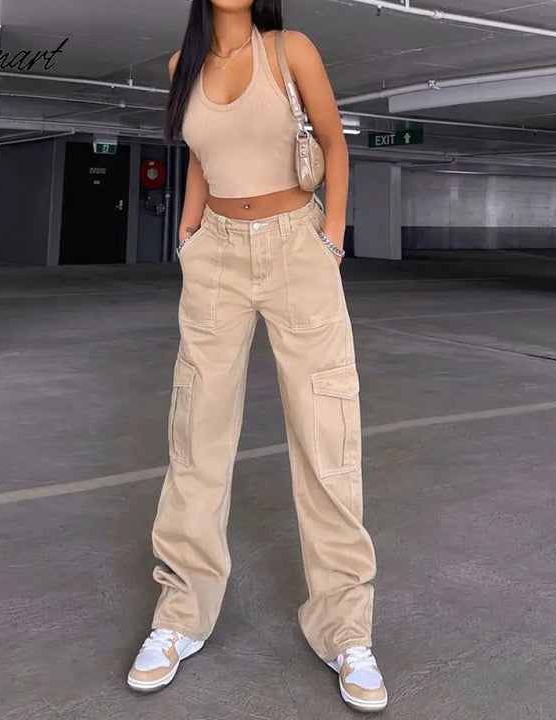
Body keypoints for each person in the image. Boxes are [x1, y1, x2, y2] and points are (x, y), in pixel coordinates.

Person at [127, 0, 387, 712]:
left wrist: (331, 240)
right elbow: (201, 160)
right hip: (215, 256)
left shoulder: (288, 48)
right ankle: (181, 614)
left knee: (327, 435)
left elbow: (333, 142)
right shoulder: (182, 66)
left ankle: (345, 629)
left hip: (298, 247)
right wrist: (187, 236)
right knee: (197, 435)